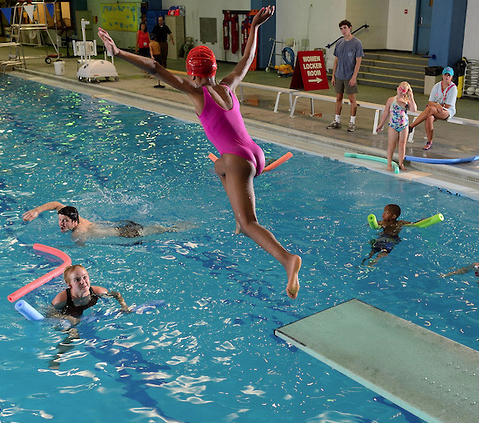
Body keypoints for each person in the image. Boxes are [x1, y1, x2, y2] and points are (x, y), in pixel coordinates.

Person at [97, 7, 303, 299]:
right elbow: (246, 60)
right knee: (217, 167)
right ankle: (238, 217)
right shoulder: (228, 87)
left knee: (249, 223)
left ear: (192, 74)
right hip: (253, 154)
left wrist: (118, 52)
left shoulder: (197, 93)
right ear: (214, 70)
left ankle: (287, 260)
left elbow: (155, 69)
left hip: (237, 161)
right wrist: (254, 25)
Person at [22, 201, 177, 241]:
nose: (61, 224)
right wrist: (37, 210)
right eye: (60, 220)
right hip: (118, 225)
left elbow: (79, 248)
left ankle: (177, 228)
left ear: (74, 222)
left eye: (65, 221)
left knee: (166, 230)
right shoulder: (74, 215)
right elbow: (55, 204)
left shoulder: (77, 234)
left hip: (126, 233)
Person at [50, 264, 130, 325]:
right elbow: (50, 314)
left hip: (87, 315)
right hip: (70, 313)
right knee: (71, 332)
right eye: (77, 280)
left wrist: (124, 306)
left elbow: (116, 294)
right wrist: (66, 317)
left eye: (85, 277)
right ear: (69, 284)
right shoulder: (61, 299)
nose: (83, 282)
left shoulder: (98, 291)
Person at [326, 20, 364, 132]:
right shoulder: (339, 43)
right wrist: (333, 76)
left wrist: (354, 77)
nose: (343, 30)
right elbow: (336, 60)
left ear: (350, 28)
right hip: (339, 75)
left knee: (352, 99)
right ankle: (337, 121)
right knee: (338, 98)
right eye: (341, 28)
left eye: (345, 28)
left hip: (349, 76)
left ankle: (352, 122)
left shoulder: (357, 43)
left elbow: (358, 62)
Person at [407, 67, 458, 150]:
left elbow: (448, 106)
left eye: (449, 75)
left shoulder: (453, 88)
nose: (447, 77)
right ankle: (429, 141)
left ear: (452, 77)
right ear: (442, 75)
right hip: (436, 109)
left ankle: (411, 126)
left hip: (447, 111)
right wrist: (437, 105)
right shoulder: (437, 86)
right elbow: (430, 102)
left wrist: (437, 105)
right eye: (445, 75)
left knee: (430, 109)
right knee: (429, 117)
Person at [375, 82, 417, 171]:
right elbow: (386, 113)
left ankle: (401, 164)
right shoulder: (391, 100)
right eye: (400, 89)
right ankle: (389, 164)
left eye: (404, 90)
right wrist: (381, 124)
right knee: (391, 145)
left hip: (404, 125)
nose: (401, 91)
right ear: (397, 88)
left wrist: (411, 97)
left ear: (407, 92)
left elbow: (414, 110)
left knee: (402, 145)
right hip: (393, 125)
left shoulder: (407, 101)